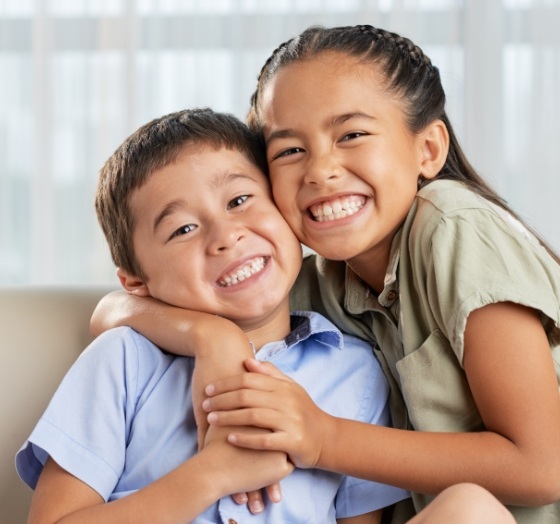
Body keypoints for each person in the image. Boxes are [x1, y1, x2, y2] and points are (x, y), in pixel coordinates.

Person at [90, 25, 560, 523]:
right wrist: (212, 339)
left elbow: (544, 465)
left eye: (351, 135)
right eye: (290, 150)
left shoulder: (453, 226)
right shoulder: (316, 282)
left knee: (470, 511)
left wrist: (323, 437)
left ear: (427, 149)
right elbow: (109, 311)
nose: (320, 170)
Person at [16, 107, 412, 523]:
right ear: (136, 282)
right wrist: (213, 473)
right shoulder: (123, 362)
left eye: (239, 201)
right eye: (183, 229)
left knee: (468, 507)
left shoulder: (355, 372)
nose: (225, 237)